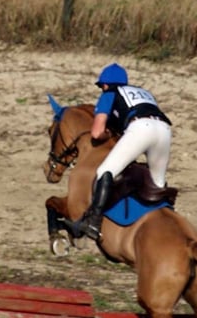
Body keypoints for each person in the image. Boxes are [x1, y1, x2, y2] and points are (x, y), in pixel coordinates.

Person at [72, 62, 172, 241]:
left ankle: (93, 221)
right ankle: (170, 220)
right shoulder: (144, 93)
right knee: (158, 185)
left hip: (141, 128)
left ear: (105, 84)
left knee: (105, 171)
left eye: (102, 85)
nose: (102, 88)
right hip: (164, 129)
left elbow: (96, 132)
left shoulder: (110, 93)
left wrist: (105, 136)